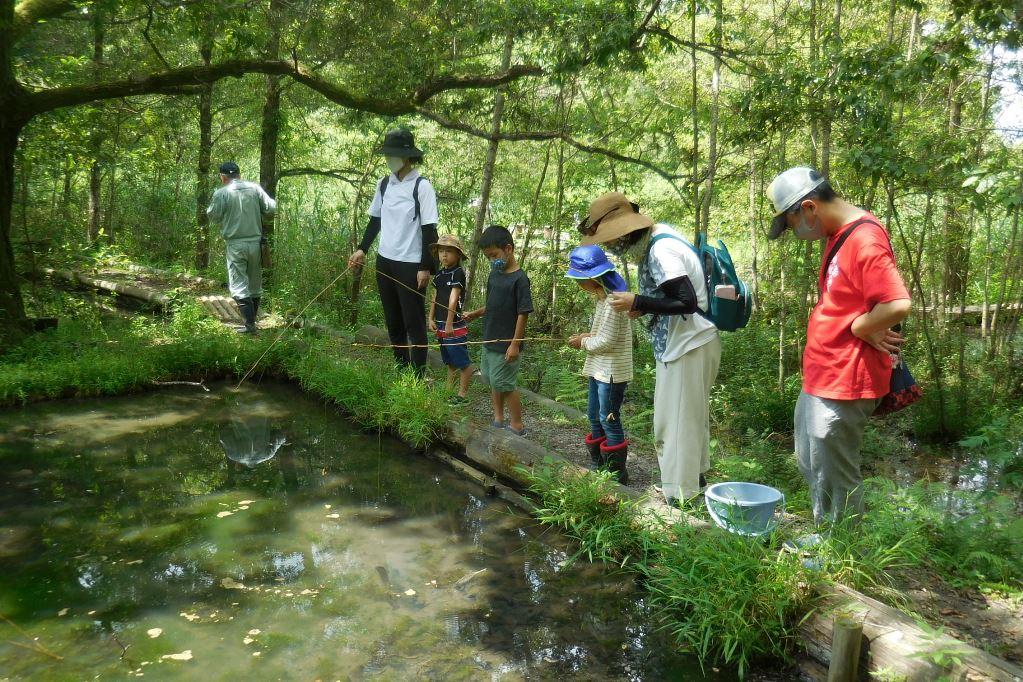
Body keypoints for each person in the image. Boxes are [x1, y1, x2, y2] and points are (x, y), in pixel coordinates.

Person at [766, 167, 911, 526]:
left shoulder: (865, 239)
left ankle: (842, 555)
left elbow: (897, 304)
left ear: (809, 208)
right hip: (825, 372)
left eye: (791, 222)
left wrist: (862, 326)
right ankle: (826, 534)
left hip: (846, 377)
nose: (794, 232)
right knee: (813, 461)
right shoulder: (839, 234)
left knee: (835, 472)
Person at [579, 191, 719, 507]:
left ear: (627, 232)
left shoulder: (661, 251)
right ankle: (691, 485)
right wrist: (645, 308)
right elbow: (675, 296)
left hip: (688, 347)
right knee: (687, 422)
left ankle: (679, 501)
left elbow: (687, 301)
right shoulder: (662, 237)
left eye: (612, 239)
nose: (612, 246)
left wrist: (638, 301)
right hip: (688, 344)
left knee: (674, 426)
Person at [348, 129, 439, 376]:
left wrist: (425, 267)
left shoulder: (422, 186)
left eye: (394, 154)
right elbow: (375, 220)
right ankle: (401, 369)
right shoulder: (384, 183)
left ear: (408, 156)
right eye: (388, 154)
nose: (390, 159)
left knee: (415, 322)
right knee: (394, 320)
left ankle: (418, 375)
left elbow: (430, 230)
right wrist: (362, 249)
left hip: (410, 265)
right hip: (385, 261)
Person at [565, 245, 634, 484]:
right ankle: (599, 464)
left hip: (612, 371)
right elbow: (601, 333)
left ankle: (617, 475)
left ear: (593, 278)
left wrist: (583, 343)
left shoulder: (615, 301)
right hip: (598, 368)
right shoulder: (602, 298)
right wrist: (587, 335)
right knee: (594, 415)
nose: (579, 285)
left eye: (580, 280)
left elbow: (608, 340)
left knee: (609, 418)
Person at [463, 225, 533, 436]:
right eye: (488, 257)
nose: (492, 260)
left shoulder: (520, 280)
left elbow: (523, 313)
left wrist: (514, 344)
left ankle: (517, 424)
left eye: (494, 255)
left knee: (507, 384)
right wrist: (476, 313)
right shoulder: (494, 275)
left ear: (508, 249)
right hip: (489, 339)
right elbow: (492, 304)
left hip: (507, 344)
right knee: (493, 379)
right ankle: (498, 417)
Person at [206, 161, 276, 334]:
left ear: (223, 177)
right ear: (239, 174)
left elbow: (213, 215)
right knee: (254, 284)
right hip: (256, 243)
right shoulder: (255, 188)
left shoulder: (222, 193)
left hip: (236, 244)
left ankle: (250, 326)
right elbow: (271, 208)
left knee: (238, 285)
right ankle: (252, 324)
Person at [428, 234, 473, 405]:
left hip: (453, 325)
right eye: (441, 251)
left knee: (462, 362)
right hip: (440, 323)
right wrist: (430, 318)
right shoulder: (440, 274)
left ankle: (462, 396)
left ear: (458, 254)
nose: (444, 255)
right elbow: (435, 297)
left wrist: (448, 323)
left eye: (449, 251)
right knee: (449, 360)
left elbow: (453, 299)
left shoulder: (458, 273)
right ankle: (448, 391)